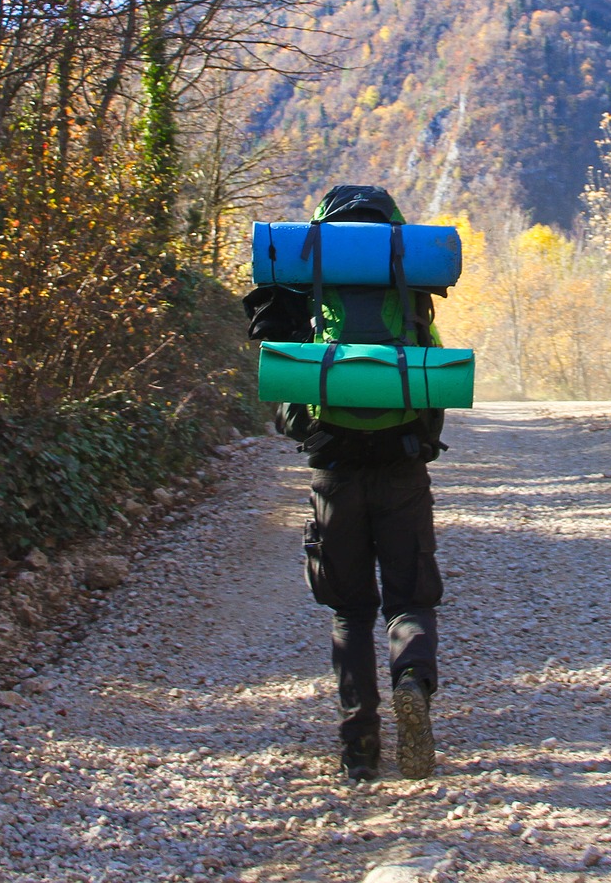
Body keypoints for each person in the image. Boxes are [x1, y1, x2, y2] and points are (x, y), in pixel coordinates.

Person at [244, 185, 448, 781]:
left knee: (350, 610)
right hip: (403, 466)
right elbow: (432, 379)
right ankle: (413, 680)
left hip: (333, 471)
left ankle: (360, 747)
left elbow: (282, 381)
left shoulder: (310, 291)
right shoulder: (409, 291)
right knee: (408, 600)